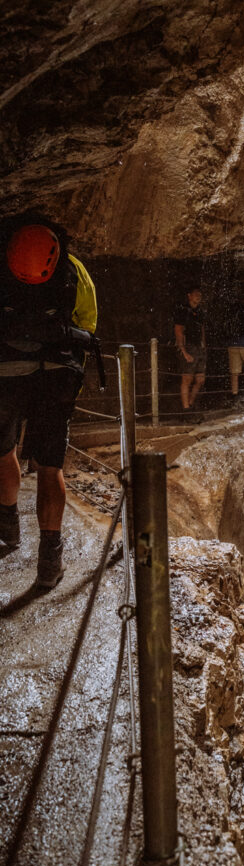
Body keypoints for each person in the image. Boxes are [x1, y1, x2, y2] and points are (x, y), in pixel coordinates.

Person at [0, 213, 98, 589]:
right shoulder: (73, 270)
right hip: (55, 376)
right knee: (49, 466)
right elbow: (88, 325)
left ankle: (8, 528)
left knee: (3, 448)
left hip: (5, 373)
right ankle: (49, 563)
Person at [173, 285, 206, 417]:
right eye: (196, 294)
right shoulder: (182, 311)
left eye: (200, 295)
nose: (198, 297)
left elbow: (202, 330)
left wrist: (204, 347)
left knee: (200, 379)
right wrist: (184, 351)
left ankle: (191, 404)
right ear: (189, 295)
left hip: (199, 348)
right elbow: (178, 331)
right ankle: (186, 409)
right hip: (188, 347)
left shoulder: (200, 312)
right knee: (187, 379)